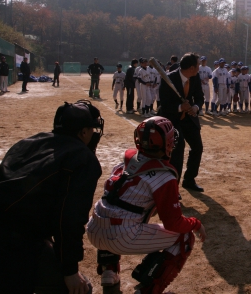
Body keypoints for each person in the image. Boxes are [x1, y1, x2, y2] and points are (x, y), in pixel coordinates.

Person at [0, 100, 104, 294]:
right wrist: (70, 270)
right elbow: (68, 219)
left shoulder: (31, 141)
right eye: (91, 129)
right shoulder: (82, 158)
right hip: (4, 237)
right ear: (83, 132)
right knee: (80, 289)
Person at [86, 116, 206, 292]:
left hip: (93, 228)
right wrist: (195, 223)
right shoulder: (164, 176)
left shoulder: (128, 158)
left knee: (120, 208)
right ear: (167, 144)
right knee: (185, 236)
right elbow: (173, 223)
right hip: (120, 236)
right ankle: (149, 290)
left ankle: (108, 270)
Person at [158, 53, 205, 192]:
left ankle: (189, 180)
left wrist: (195, 107)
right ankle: (174, 187)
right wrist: (179, 107)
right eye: (197, 65)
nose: (199, 68)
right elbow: (164, 105)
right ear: (191, 68)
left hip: (189, 118)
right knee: (178, 150)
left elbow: (199, 97)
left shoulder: (195, 77)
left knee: (197, 147)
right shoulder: (168, 79)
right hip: (173, 118)